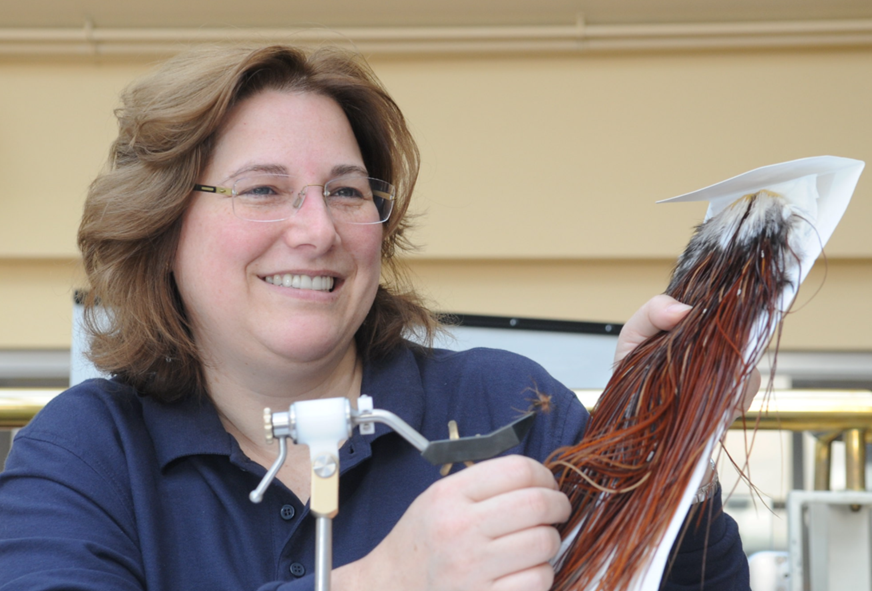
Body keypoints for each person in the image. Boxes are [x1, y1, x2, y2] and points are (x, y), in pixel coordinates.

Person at [0, 44, 752, 590]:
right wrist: (385, 580)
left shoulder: (513, 406)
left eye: (348, 192)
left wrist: (664, 440)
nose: (317, 230)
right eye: (263, 189)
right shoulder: (87, 452)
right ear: (162, 230)